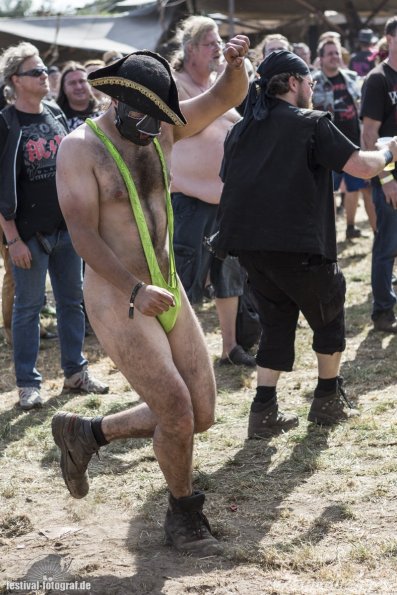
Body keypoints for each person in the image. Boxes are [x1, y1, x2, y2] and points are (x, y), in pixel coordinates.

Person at [51, 38, 250, 554]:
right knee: (178, 413)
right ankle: (183, 516)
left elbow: (227, 97)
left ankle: (86, 434)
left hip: (167, 289)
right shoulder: (80, 149)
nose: (154, 128)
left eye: (159, 118)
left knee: (202, 413)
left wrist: (234, 64)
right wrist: (134, 290)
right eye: (143, 117)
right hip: (119, 296)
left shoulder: (161, 123)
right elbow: (82, 235)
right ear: (118, 102)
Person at [215, 49, 397, 437]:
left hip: (251, 250)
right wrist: (388, 149)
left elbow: (228, 178)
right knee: (329, 312)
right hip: (298, 247)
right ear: (293, 83)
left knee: (276, 320)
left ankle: (263, 411)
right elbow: (363, 167)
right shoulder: (310, 123)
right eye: (309, 80)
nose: (313, 86)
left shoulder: (241, 129)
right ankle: (327, 400)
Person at [0, 42, 109, 410]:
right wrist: (12, 238)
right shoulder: (5, 122)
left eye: (45, 69)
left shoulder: (54, 114)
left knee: (72, 302)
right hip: (28, 237)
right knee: (28, 309)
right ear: (16, 80)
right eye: (35, 71)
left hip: (68, 231)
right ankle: (28, 386)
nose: (45, 75)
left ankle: (76, 373)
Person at [170, 15, 255, 367]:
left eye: (219, 43)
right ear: (190, 49)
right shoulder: (174, 85)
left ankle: (230, 347)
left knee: (229, 275)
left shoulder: (220, 89)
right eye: (211, 43)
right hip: (188, 199)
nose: (217, 49)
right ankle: (177, 354)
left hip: (224, 200)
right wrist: (227, 86)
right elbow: (197, 120)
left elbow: (230, 113)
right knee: (184, 280)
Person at [312, 38, 376, 238]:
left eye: (337, 53)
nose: (334, 57)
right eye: (330, 53)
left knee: (363, 189)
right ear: (320, 58)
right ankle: (328, 238)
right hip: (326, 148)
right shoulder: (312, 82)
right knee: (326, 195)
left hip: (354, 145)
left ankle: (367, 231)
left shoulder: (352, 78)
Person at [361, 16, 397, 333]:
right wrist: (386, 179)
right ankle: (383, 311)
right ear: (389, 39)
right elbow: (368, 135)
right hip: (390, 176)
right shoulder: (378, 79)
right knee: (387, 245)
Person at [56, 61, 102, 131]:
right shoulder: (57, 119)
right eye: (72, 83)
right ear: (64, 88)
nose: (78, 87)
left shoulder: (104, 112)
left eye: (82, 81)